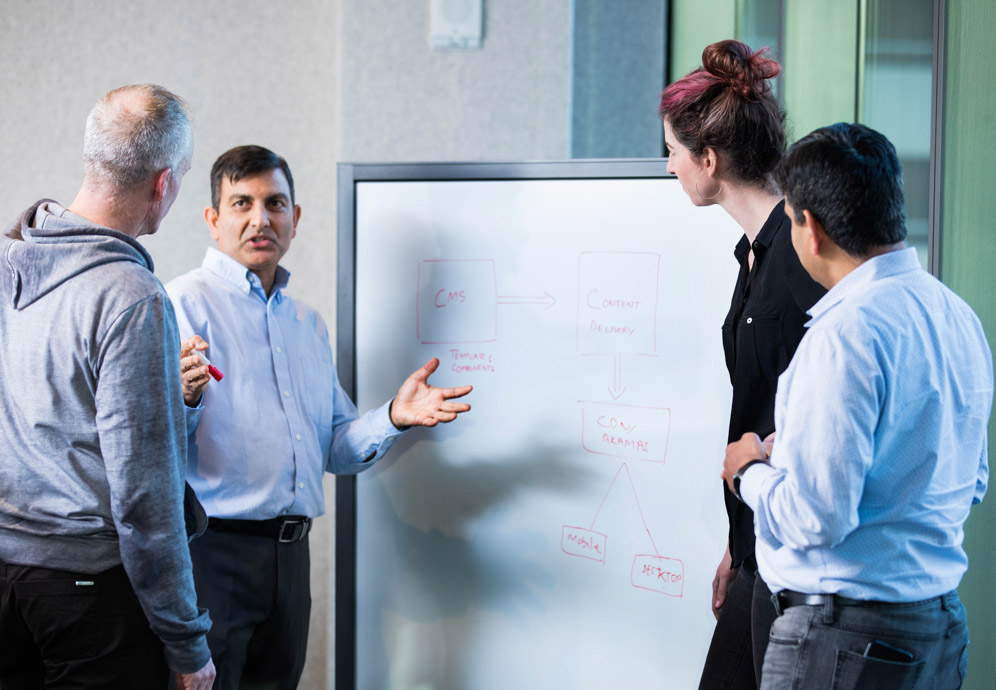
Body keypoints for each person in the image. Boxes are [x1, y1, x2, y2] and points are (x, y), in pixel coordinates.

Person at [165, 144, 473, 689]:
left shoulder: (307, 323)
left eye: (275, 203)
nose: (260, 219)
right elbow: (152, 444)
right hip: (213, 555)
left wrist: (394, 416)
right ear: (213, 219)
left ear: (295, 217)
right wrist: (185, 397)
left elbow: (334, 447)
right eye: (241, 203)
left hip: (291, 559)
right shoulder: (182, 304)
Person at [722, 123, 993, 688]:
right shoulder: (957, 316)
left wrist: (748, 471)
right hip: (937, 629)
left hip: (844, 639)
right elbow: (969, 480)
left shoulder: (845, 333)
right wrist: (795, 452)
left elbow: (816, 519)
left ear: (811, 230)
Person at [0, 85, 215, 690]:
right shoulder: (131, 296)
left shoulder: (7, 263)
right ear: (163, 182)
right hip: (87, 597)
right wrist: (186, 642)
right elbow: (146, 499)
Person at [658, 40, 825, 689]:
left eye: (673, 151)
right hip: (757, 538)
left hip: (797, 557)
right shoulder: (750, 255)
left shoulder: (803, 257)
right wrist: (737, 542)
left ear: (709, 159)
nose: (669, 166)